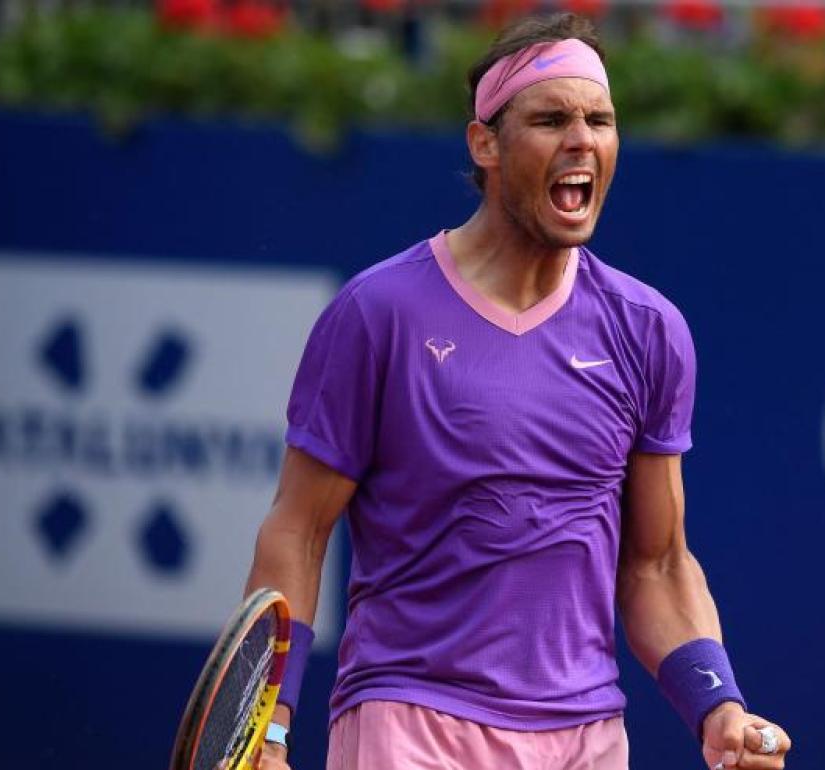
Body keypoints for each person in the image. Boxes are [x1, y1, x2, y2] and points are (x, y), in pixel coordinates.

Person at [244, 13, 792, 770]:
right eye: (551, 119)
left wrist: (718, 706)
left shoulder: (648, 330)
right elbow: (297, 531)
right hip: (410, 721)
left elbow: (658, 565)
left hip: (585, 736)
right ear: (486, 145)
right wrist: (267, 725)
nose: (582, 140)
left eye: (600, 120)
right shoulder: (378, 314)